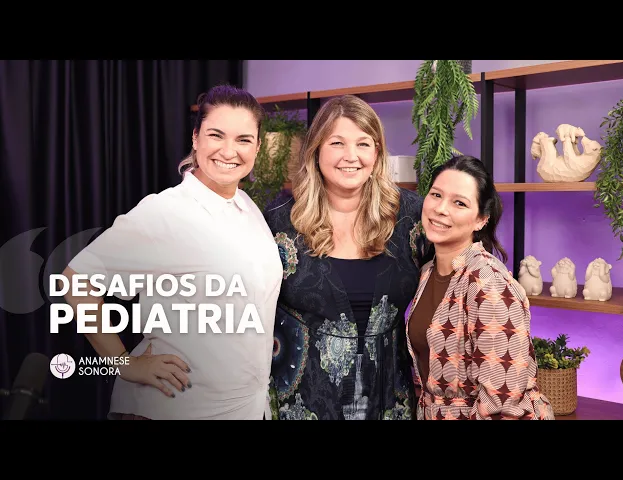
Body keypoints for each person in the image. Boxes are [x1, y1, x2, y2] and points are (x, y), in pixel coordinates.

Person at [61, 84, 283, 420]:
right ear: (195, 138)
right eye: (216, 135)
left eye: (243, 139)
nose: (229, 151)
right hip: (175, 406)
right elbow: (75, 281)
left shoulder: (247, 206)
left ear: (258, 147)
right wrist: (125, 363)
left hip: (242, 407)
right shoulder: (165, 212)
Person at [263, 94, 430, 420]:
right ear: (316, 151)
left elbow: (455, 279)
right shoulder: (279, 220)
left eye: (363, 144)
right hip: (302, 405)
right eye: (337, 143)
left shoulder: (413, 215)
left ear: (377, 152)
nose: (351, 156)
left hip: (390, 405)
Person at [405, 155, 555, 420]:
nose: (441, 209)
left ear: (481, 220)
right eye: (436, 195)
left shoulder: (487, 281)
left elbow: (503, 400)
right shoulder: (427, 272)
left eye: (459, 203)